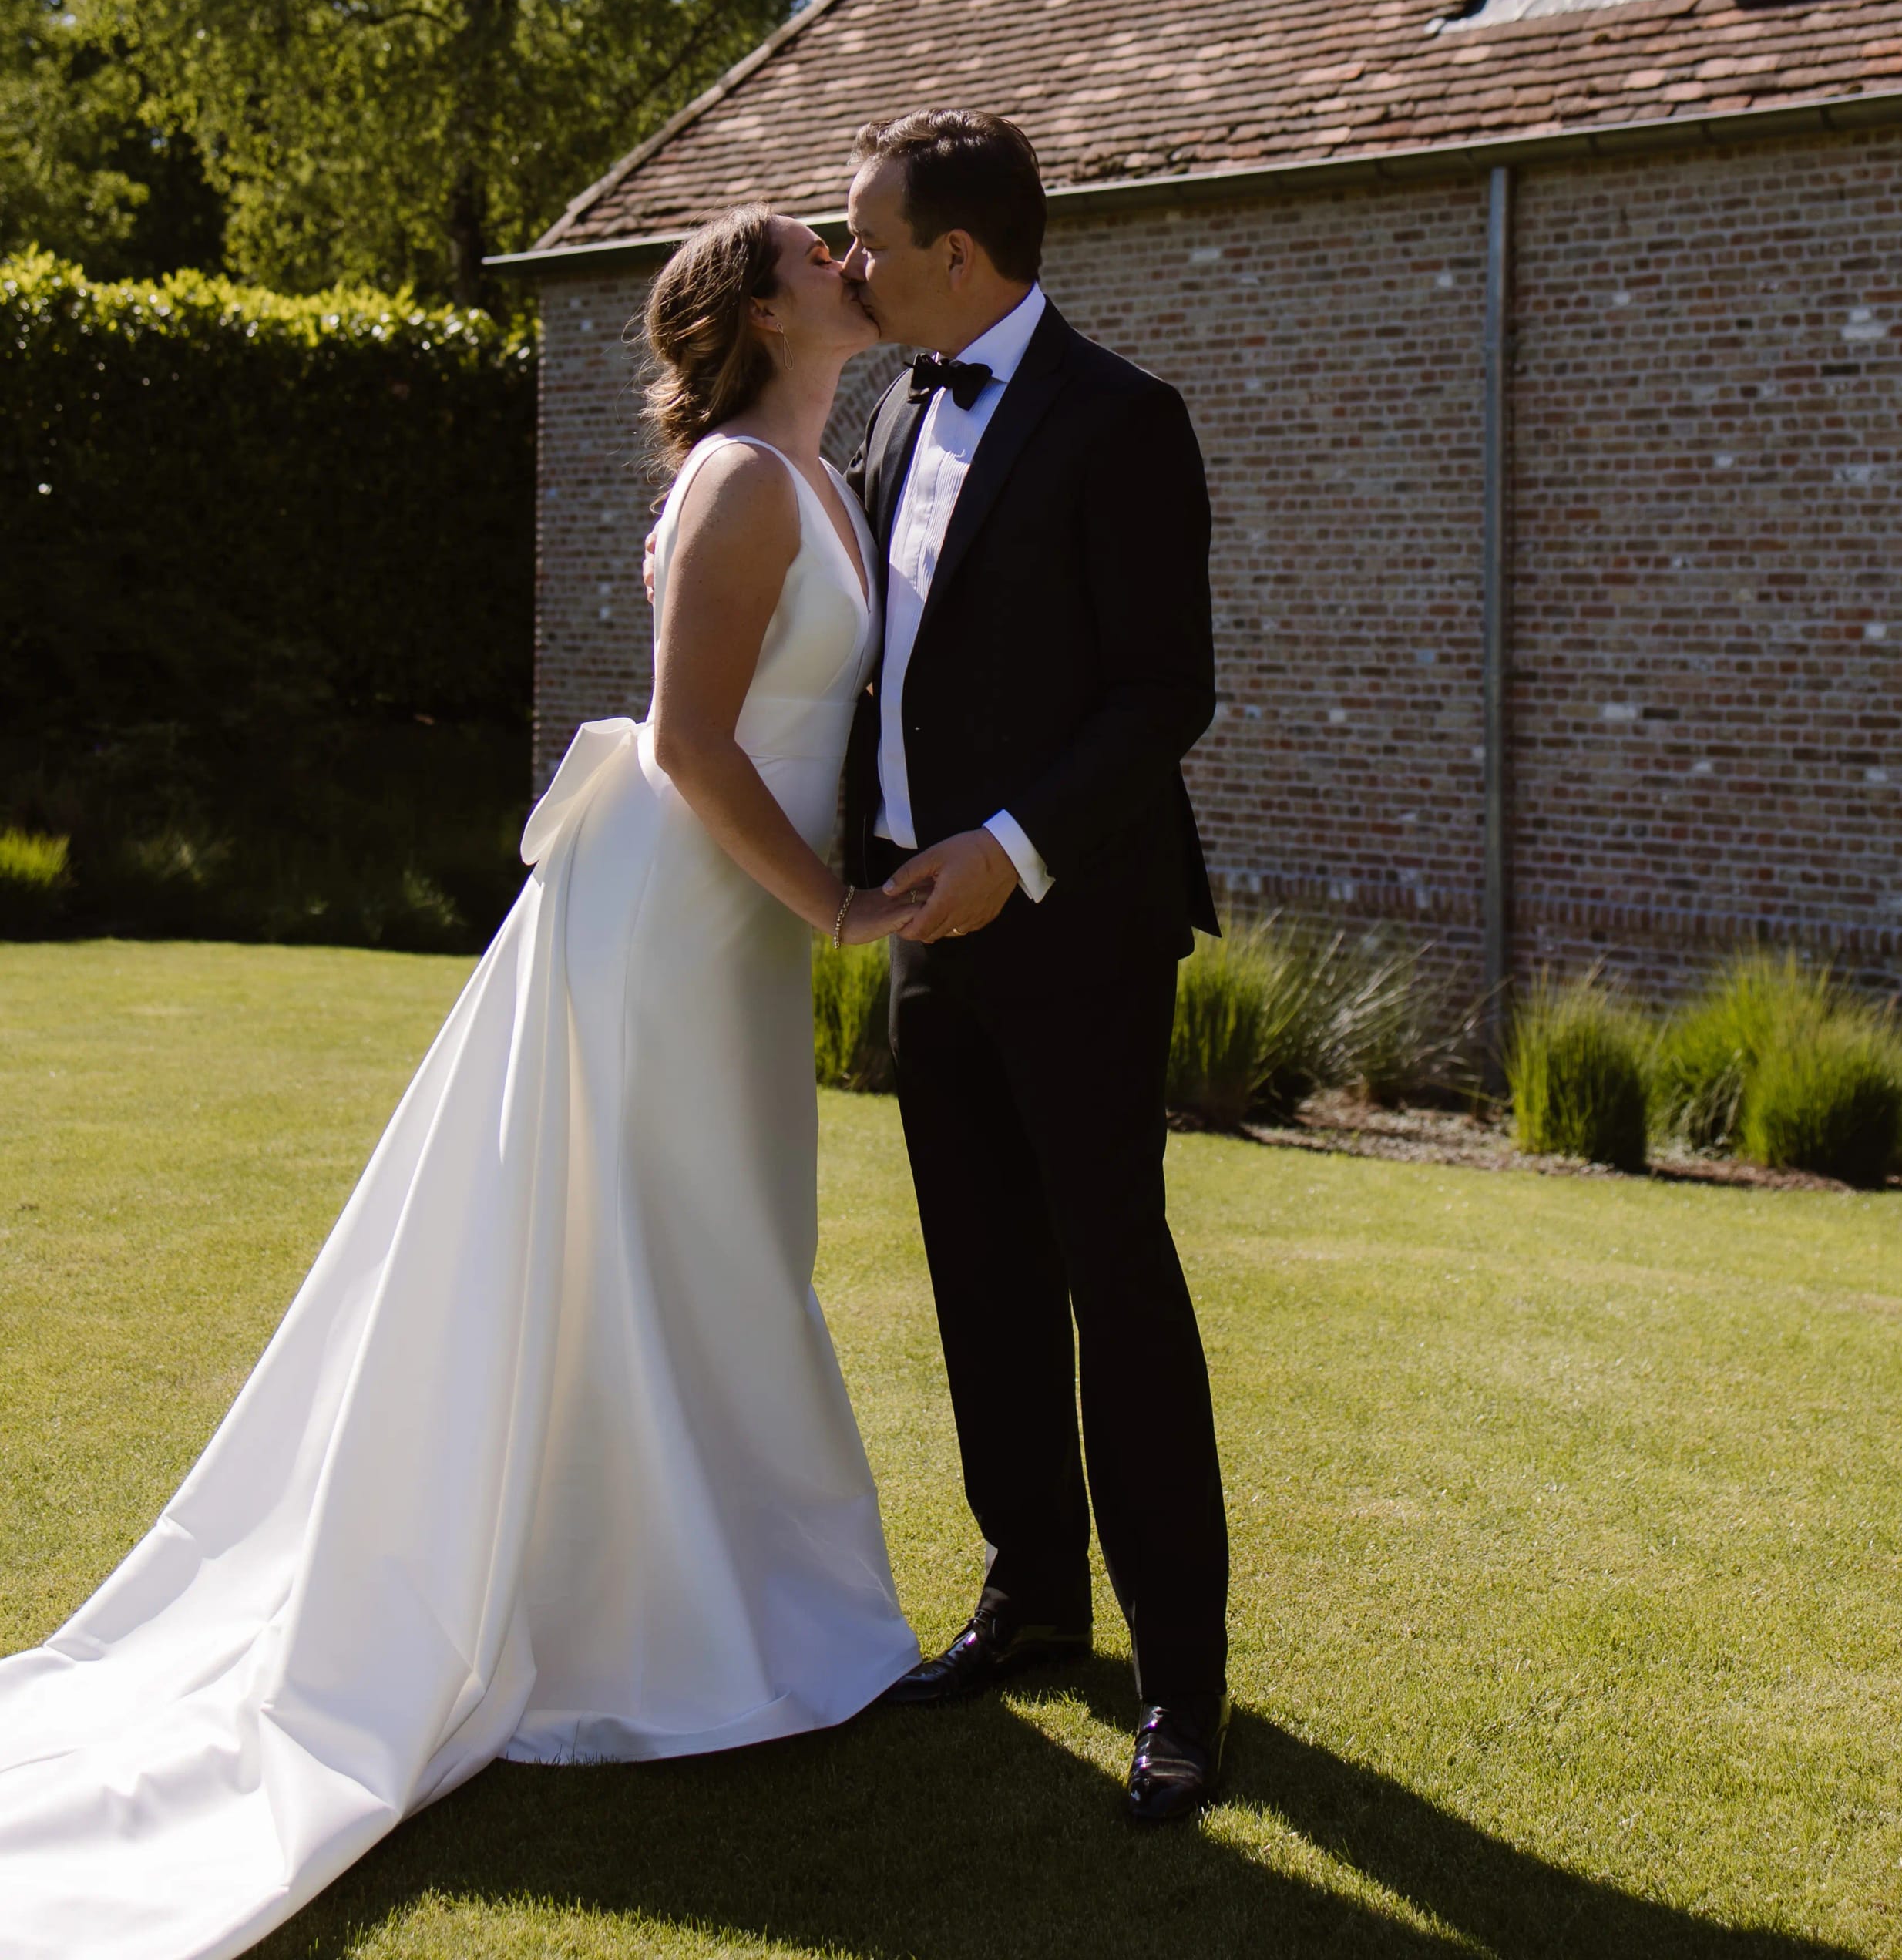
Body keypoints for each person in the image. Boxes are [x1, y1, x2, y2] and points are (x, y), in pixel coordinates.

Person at [0, 207, 923, 1960]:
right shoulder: (739, 477)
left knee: (721, 1248)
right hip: (670, 923)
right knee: (669, 1252)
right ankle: (664, 1635)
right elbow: (689, 742)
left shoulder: (822, 469)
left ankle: (718, 1608)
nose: (845, 257)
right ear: (753, 307)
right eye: (815, 248)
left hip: (723, 931)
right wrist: (841, 907)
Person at [839, 108, 1231, 1827]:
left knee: (1112, 1290)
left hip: (1076, 932)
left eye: (866, 241)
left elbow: (1163, 694)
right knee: (978, 1280)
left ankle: (1180, 1683)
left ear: (961, 255)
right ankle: (1027, 1596)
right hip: (927, 940)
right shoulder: (886, 412)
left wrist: (1009, 852)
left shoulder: (1122, 421)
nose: (847, 268)